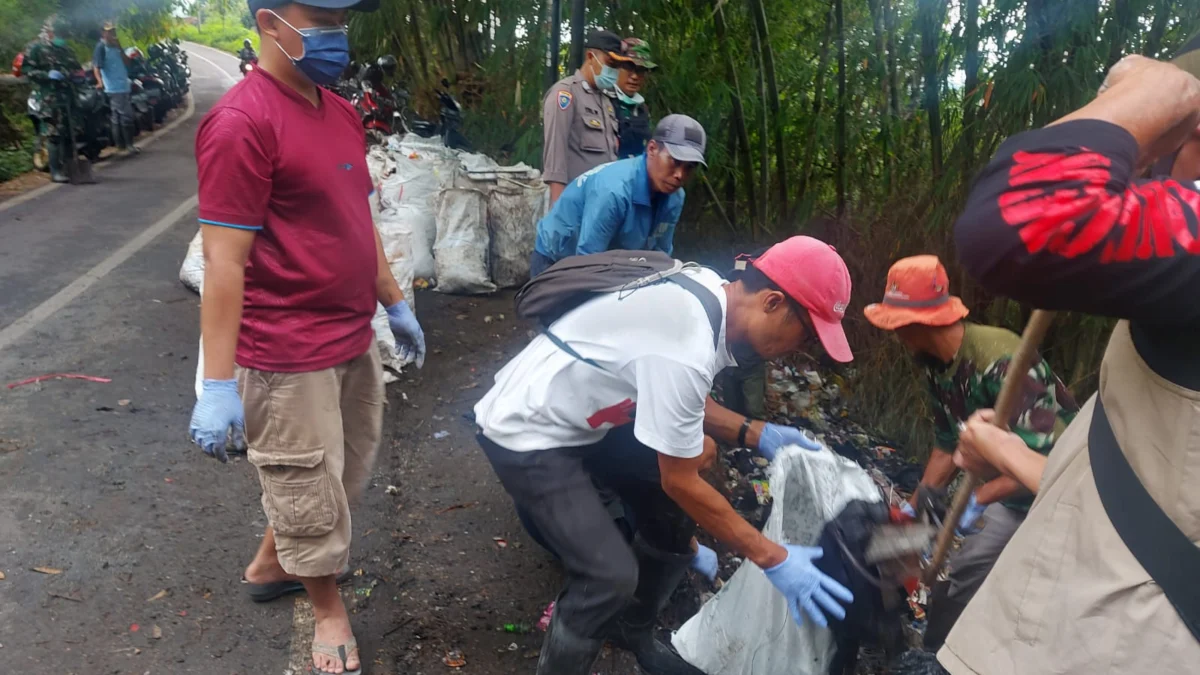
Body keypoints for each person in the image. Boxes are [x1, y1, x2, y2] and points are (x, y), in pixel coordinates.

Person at [475, 236, 856, 675]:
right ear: (772, 302)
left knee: (700, 454)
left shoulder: (707, 291)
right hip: (528, 431)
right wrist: (773, 557)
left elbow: (683, 400)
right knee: (609, 575)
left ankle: (632, 626)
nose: (800, 345)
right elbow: (679, 478)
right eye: (805, 331)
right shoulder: (688, 338)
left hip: (585, 416)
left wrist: (758, 433)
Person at [936, 44, 1200, 675]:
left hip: (1112, 639)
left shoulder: (992, 358)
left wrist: (1137, 104)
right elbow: (1142, 482)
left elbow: (1020, 219)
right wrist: (1002, 451)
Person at [188, 0, 425, 674]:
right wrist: (217, 381)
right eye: (319, 17)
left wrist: (395, 303)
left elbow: (360, 219)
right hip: (285, 349)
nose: (337, 33)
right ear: (269, 23)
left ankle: (271, 562)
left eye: (341, 18)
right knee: (304, 480)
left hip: (351, 334)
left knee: (343, 470)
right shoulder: (241, 123)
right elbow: (224, 262)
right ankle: (327, 609)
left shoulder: (341, 111)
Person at [863, 254, 1078, 649]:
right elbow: (946, 444)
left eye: (896, 326)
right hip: (1006, 483)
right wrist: (913, 512)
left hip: (1057, 491)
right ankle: (921, 646)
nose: (894, 335)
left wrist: (974, 502)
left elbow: (1049, 463)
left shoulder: (1001, 361)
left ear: (918, 324)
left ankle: (958, 655)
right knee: (935, 562)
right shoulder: (935, 364)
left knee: (995, 579)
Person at [530, 114, 705, 277]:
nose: (680, 175)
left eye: (689, 167)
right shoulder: (614, 190)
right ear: (652, 149)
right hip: (556, 258)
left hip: (611, 259)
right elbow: (588, 263)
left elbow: (660, 256)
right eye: (675, 161)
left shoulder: (675, 198)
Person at [542, 29, 623, 206]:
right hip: (576, 204)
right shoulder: (566, 93)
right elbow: (556, 159)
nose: (614, 71)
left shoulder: (606, 101)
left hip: (602, 205)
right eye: (610, 63)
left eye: (617, 67)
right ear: (591, 57)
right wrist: (558, 213)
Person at [22, 17, 82, 184]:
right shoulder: (37, 49)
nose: (62, 37)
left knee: (71, 134)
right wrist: (46, 75)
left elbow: (76, 68)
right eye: (59, 34)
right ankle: (55, 172)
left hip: (68, 96)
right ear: (50, 32)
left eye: (64, 34)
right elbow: (27, 70)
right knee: (54, 134)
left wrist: (77, 76)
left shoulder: (67, 51)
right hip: (49, 98)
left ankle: (71, 169)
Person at [93, 22, 138, 156]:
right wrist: (100, 81)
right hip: (113, 87)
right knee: (125, 115)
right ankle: (127, 145)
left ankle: (122, 145)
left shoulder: (116, 47)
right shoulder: (101, 47)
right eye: (109, 31)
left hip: (124, 84)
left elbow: (127, 62)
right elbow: (96, 66)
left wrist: (120, 48)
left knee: (118, 116)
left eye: (113, 31)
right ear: (103, 33)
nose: (112, 34)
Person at [611, 37, 655, 159]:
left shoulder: (642, 109)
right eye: (629, 67)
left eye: (641, 70)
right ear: (616, 67)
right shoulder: (602, 102)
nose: (635, 76)